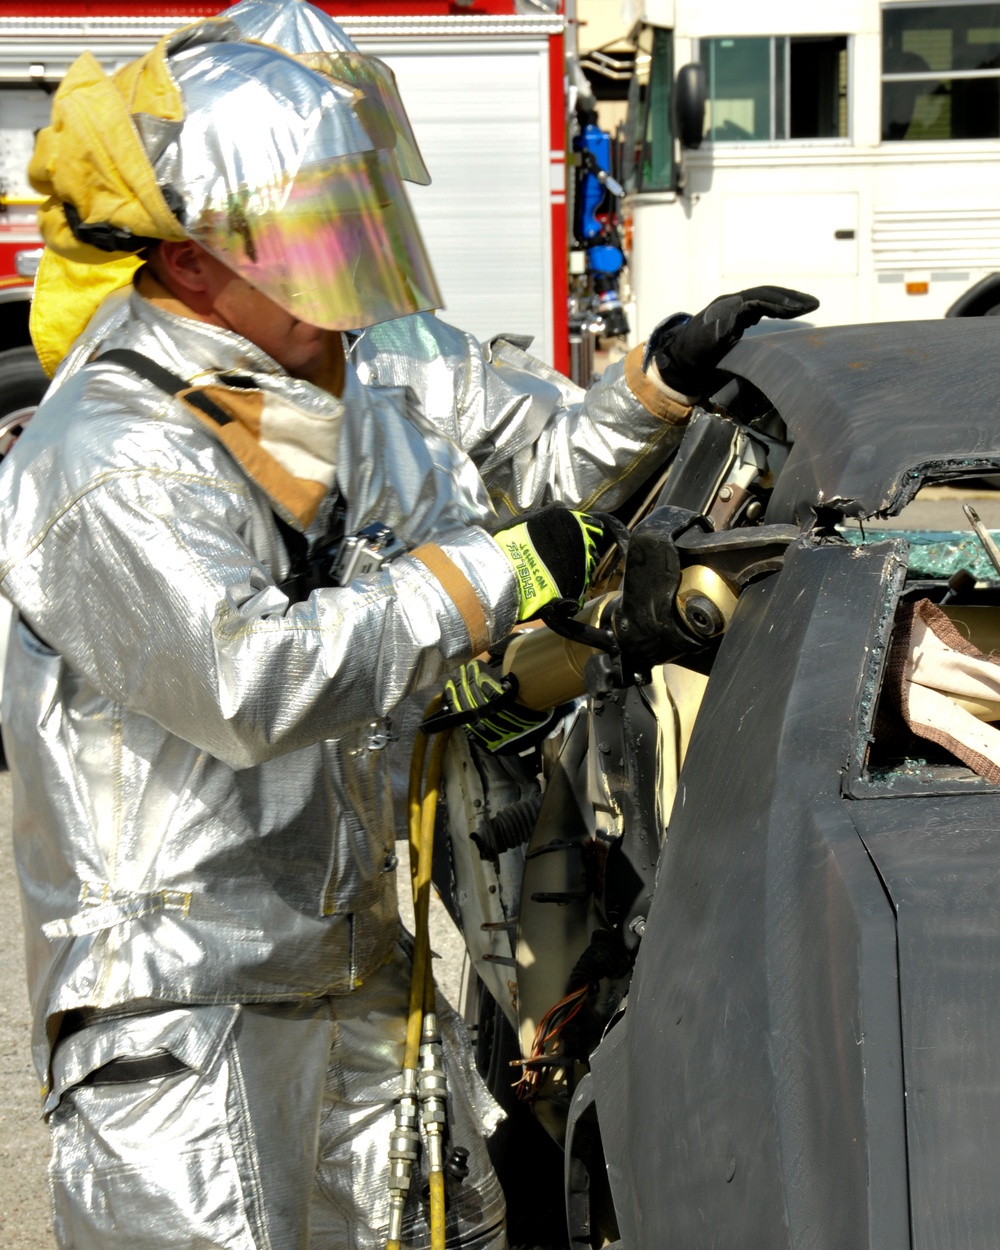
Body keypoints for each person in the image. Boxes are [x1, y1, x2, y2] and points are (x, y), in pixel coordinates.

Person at [0, 3, 818, 1248]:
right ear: (185, 263)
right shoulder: (114, 458)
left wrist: (655, 383)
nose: (344, 265)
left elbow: (520, 475)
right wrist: (481, 584)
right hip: (190, 1005)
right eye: (310, 233)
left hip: (348, 964)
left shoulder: (317, 375)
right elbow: (250, 678)